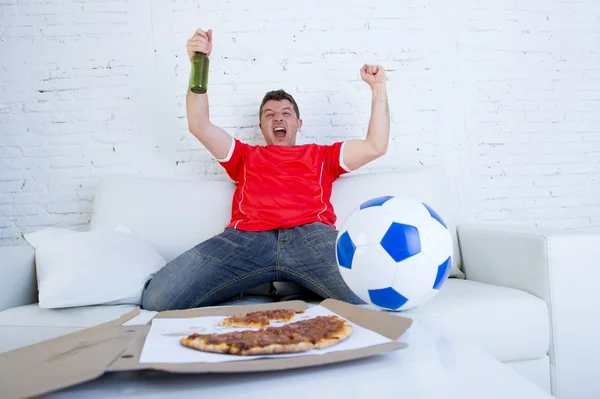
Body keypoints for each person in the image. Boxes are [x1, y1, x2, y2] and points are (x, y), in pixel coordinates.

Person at [141, 28, 390, 311]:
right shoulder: (245, 155)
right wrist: (200, 61)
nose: (278, 118)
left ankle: (296, 282)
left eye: (286, 113)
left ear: (298, 123)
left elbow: (375, 145)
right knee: (157, 299)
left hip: (309, 236)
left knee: (372, 294)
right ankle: (274, 284)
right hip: (247, 240)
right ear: (261, 127)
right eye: (269, 115)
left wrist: (378, 87)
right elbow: (199, 124)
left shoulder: (321, 155)